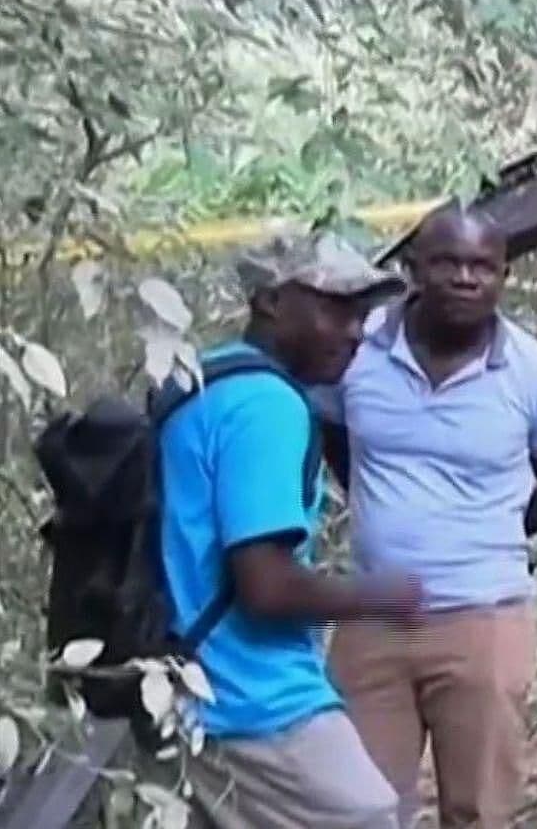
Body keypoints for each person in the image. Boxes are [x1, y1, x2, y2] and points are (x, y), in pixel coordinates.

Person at [313, 204, 537, 829]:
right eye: (447, 263)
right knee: (354, 811)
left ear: (503, 276)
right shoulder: (356, 351)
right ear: (413, 268)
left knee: (478, 813)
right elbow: (337, 443)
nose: (466, 278)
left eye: (482, 266)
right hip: (374, 619)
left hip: (483, 621)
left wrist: (487, 532)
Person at [159, 231, 421, 829]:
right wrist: (383, 596)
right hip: (252, 698)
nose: (354, 332)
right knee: (369, 816)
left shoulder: (202, 379)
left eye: (361, 315)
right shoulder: (267, 405)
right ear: (271, 301)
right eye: (335, 309)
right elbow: (267, 586)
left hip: (186, 688)